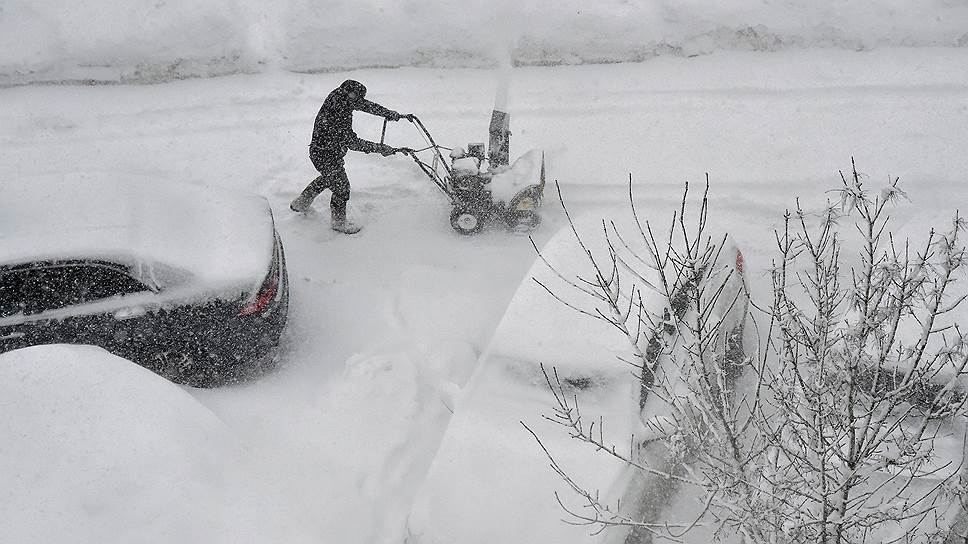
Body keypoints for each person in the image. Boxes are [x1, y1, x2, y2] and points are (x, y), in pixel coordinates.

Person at [290, 79, 412, 234]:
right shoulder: (338, 111)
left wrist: (388, 113)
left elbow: (365, 105)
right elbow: (352, 142)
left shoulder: (341, 96)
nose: (358, 101)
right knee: (342, 188)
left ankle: (301, 202)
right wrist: (379, 148)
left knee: (330, 178)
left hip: (325, 152)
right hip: (325, 154)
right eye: (356, 97)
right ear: (348, 93)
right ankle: (338, 223)